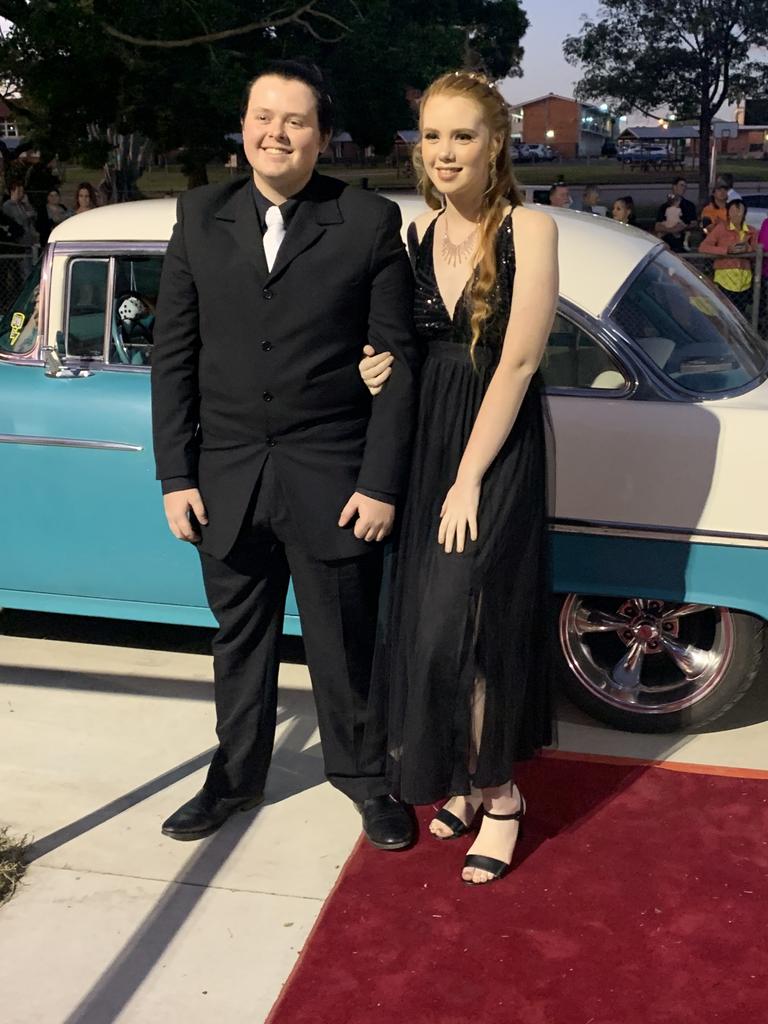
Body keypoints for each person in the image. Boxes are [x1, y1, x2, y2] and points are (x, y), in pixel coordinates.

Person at [151, 61, 420, 849]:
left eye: (295, 120)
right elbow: (174, 355)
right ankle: (232, 780)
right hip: (225, 476)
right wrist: (175, 476)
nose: (277, 132)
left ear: (321, 137)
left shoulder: (366, 221)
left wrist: (380, 484)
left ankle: (367, 779)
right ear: (243, 127)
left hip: (332, 477)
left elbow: (396, 362)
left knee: (344, 641)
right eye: (263, 116)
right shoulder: (200, 215)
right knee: (238, 642)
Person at [360, 70, 557, 885]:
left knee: (470, 623)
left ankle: (502, 797)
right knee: (430, 630)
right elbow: (407, 345)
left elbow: (516, 363)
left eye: (462, 136)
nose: (444, 152)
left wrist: (470, 477)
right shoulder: (413, 235)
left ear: (495, 144)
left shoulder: (529, 228)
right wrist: (378, 367)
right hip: (428, 442)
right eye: (432, 136)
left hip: (494, 448)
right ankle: (466, 781)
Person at [699, 198, 757, 317]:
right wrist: (726, 250)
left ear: (744, 213)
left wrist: (748, 249)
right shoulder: (721, 228)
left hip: (744, 281)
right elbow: (703, 247)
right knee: (724, 314)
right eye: (732, 211)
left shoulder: (751, 231)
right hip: (724, 279)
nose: (735, 214)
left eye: (738, 211)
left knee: (740, 314)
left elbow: (757, 251)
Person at [654, 177, 697, 252]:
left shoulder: (689, 206)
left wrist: (683, 227)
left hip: (682, 245)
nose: (684, 188)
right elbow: (657, 226)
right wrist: (672, 230)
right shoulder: (664, 207)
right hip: (667, 245)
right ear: (674, 186)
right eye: (681, 185)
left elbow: (694, 223)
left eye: (685, 186)